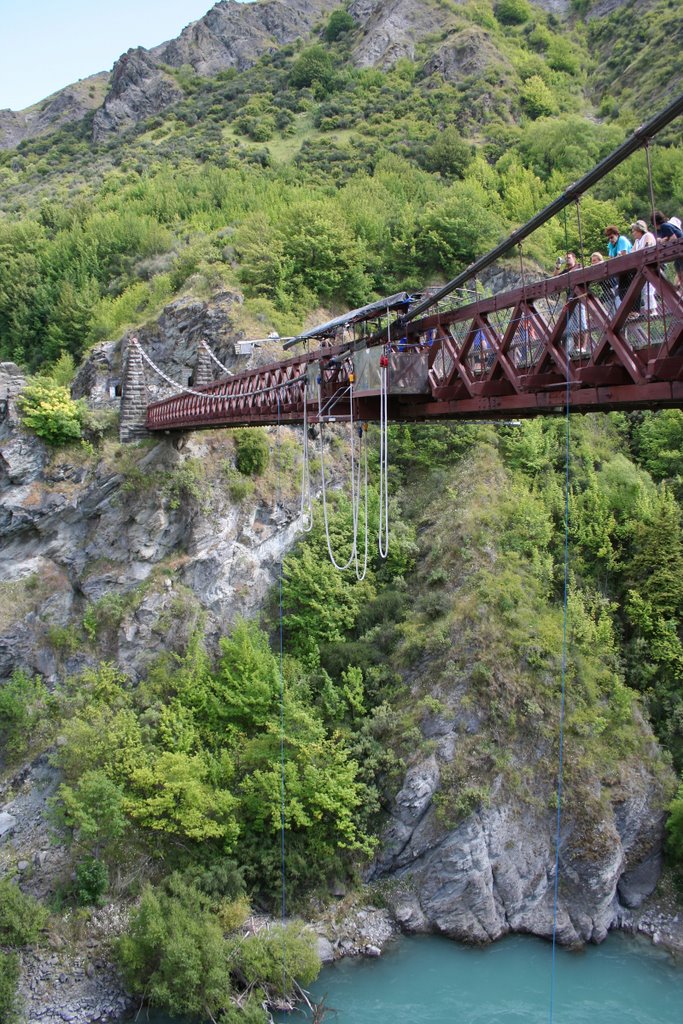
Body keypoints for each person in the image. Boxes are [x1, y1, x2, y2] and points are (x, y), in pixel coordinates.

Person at [553, 251, 587, 354]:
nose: (567, 259)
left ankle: (583, 347)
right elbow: (555, 278)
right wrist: (558, 266)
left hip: (579, 297)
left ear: (574, 258)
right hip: (570, 299)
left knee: (582, 324)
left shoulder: (579, 266)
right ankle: (577, 347)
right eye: (566, 258)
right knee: (573, 326)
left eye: (569, 258)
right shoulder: (566, 270)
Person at [630, 220, 658, 314]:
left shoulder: (647, 236)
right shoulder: (637, 241)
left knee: (649, 290)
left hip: (651, 266)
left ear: (639, 230)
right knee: (645, 290)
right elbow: (632, 253)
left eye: (634, 231)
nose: (632, 233)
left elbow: (647, 247)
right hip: (642, 268)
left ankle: (653, 310)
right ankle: (649, 310)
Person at [652, 210, 683, 293]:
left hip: (680, 250)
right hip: (679, 252)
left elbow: (673, 238)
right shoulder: (667, 226)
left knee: (681, 273)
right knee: (678, 270)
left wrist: (663, 241)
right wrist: (663, 240)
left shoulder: (664, 226)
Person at [604, 224, 633, 308]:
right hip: (620, 270)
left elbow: (623, 254)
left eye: (612, 237)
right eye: (609, 238)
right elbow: (611, 258)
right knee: (621, 292)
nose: (610, 240)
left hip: (629, 267)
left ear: (616, 234)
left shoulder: (622, 240)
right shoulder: (611, 245)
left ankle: (633, 310)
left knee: (629, 289)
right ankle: (628, 311)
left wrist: (615, 258)